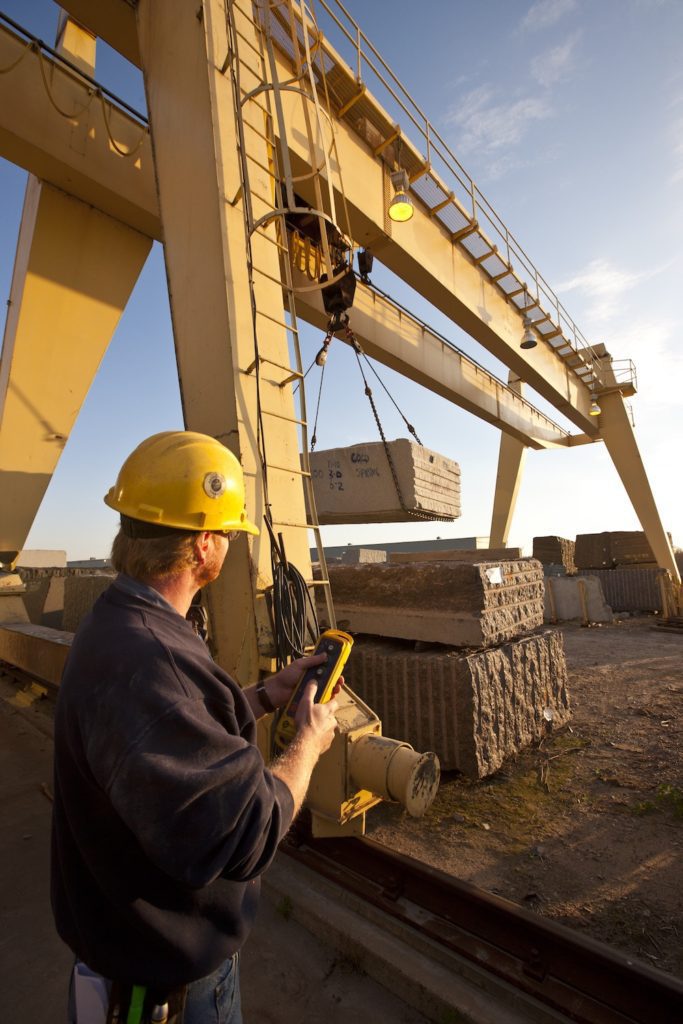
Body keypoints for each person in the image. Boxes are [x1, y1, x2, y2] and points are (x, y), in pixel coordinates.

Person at [51, 431, 340, 1024]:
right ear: (205, 545)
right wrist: (308, 745)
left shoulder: (119, 622)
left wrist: (262, 696)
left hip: (122, 958)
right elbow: (246, 835)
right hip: (162, 989)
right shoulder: (152, 660)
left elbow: (172, 726)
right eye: (229, 534)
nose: (229, 545)